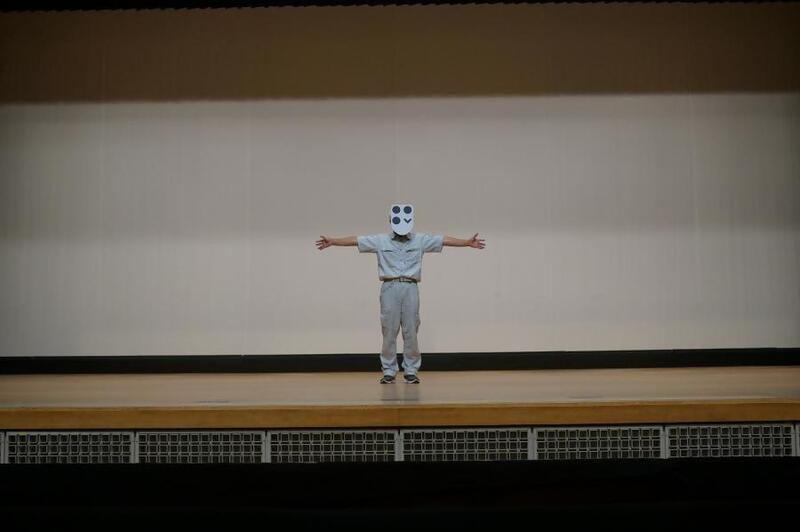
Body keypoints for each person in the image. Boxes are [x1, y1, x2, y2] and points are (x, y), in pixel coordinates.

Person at [315, 204, 485, 384]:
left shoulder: (419, 240)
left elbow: (443, 240)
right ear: (391, 220)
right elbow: (356, 240)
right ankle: (389, 370)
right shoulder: (381, 240)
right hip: (390, 287)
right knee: (389, 330)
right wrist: (333, 241)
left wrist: (466, 242)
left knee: (411, 330)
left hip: (410, 287)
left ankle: (411, 370)